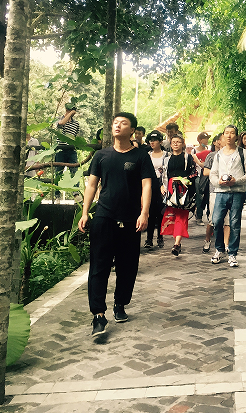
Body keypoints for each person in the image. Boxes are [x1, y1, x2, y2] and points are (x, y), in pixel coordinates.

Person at [78, 112, 154, 337]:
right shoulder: (101, 155)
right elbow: (92, 185)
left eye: (123, 123)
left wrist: (144, 213)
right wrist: (85, 212)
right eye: (115, 123)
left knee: (127, 266)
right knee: (98, 265)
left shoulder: (141, 156)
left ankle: (120, 304)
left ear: (133, 130)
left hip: (131, 218)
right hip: (104, 216)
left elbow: (147, 185)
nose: (118, 126)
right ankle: (98, 315)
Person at [209, 125, 246, 267]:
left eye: (232, 133)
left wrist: (236, 181)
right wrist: (218, 182)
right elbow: (212, 174)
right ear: (223, 136)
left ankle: (232, 253)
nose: (229, 135)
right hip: (221, 192)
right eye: (226, 133)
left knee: (234, 223)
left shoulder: (243, 153)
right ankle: (219, 249)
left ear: (236, 136)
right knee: (216, 221)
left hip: (237, 192)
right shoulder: (218, 154)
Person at [159, 134, 197, 256]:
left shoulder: (188, 157)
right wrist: (162, 185)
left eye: (178, 142)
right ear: (170, 144)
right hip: (170, 188)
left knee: (181, 215)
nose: (175, 144)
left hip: (183, 189)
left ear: (182, 144)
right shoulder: (166, 159)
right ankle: (177, 243)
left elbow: (195, 172)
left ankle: (176, 243)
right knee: (172, 216)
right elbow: (163, 174)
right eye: (173, 142)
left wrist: (185, 179)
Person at [201, 134, 229, 253]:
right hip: (215, 191)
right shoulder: (212, 155)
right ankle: (207, 240)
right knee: (213, 220)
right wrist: (220, 173)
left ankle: (226, 245)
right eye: (224, 138)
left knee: (227, 220)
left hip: (229, 190)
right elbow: (205, 172)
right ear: (218, 142)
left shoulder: (234, 155)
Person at [144, 130, 168, 249]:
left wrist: (164, 185)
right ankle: (149, 239)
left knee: (161, 213)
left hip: (163, 185)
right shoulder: (147, 155)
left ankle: (160, 237)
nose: (152, 143)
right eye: (150, 141)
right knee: (150, 212)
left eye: (154, 140)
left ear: (160, 142)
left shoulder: (167, 155)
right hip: (150, 185)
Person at [54, 103, 80, 177]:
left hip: (71, 150)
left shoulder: (76, 123)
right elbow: (61, 123)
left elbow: (75, 136)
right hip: (61, 150)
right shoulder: (59, 119)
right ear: (66, 110)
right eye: (71, 110)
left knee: (74, 172)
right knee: (58, 173)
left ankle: (75, 185)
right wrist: (70, 114)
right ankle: (56, 185)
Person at [194, 132, 212, 225]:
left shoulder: (209, 151)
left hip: (207, 177)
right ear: (200, 140)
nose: (207, 140)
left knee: (208, 196)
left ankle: (209, 216)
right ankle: (199, 216)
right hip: (197, 176)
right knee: (199, 196)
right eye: (205, 139)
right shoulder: (194, 151)